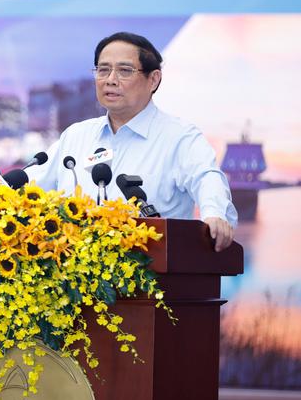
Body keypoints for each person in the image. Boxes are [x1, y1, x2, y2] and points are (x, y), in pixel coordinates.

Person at [28, 32, 237, 252]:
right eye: (103, 70)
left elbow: (207, 178)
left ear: (153, 79)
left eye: (124, 71)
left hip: (154, 275)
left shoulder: (180, 137)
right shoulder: (76, 136)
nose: (110, 80)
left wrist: (215, 214)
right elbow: (32, 186)